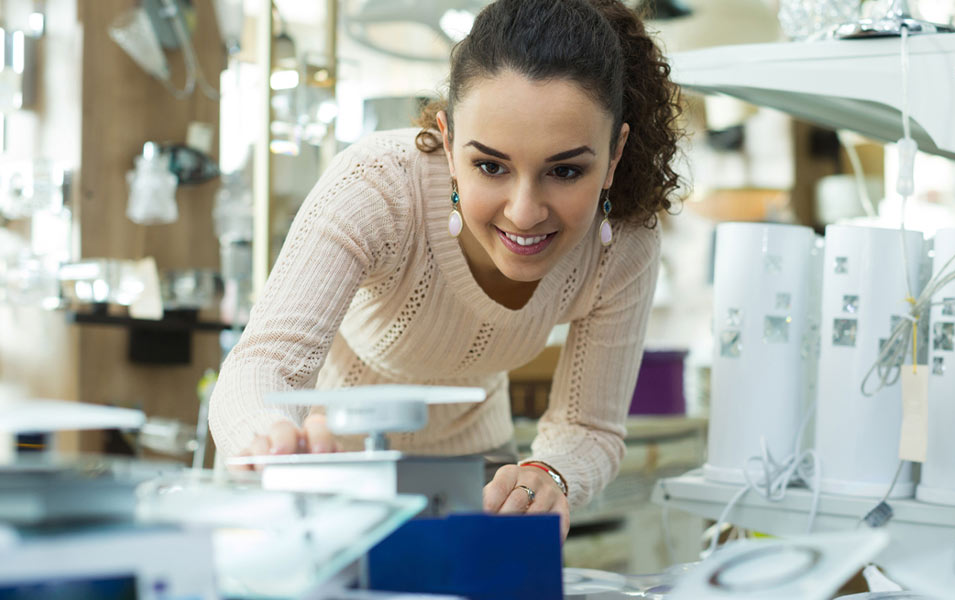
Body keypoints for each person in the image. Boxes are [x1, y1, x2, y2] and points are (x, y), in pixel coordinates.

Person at [208, 0, 683, 541]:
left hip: (475, 474)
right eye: (490, 166)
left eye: (567, 170)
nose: (524, 212)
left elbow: (589, 425)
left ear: (615, 155)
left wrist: (548, 476)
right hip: (321, 466)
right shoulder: (379, 188)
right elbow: (264, 365)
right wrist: (271, 442)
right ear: (450, 141)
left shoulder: (624, 240)